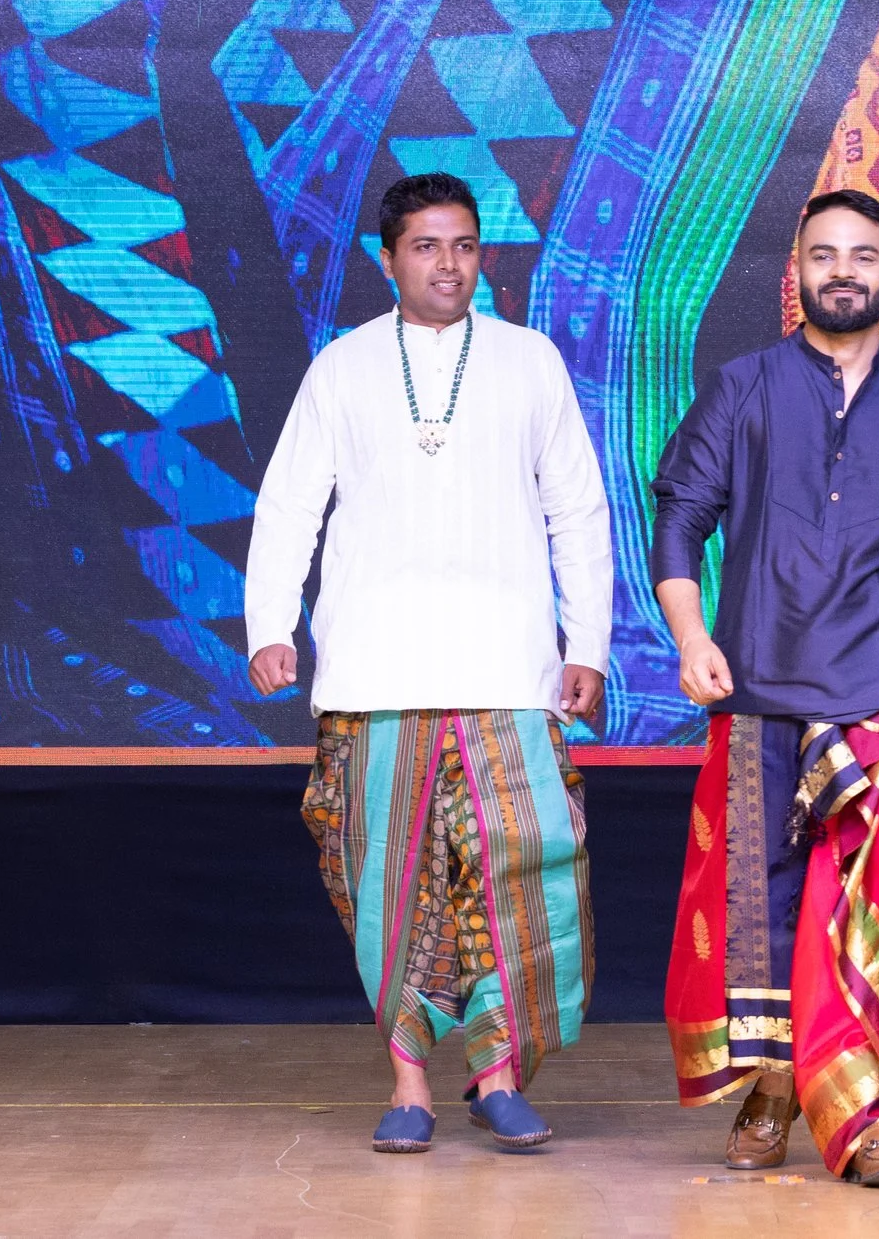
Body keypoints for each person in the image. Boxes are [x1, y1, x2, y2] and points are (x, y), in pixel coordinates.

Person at [243, 171, 611, 1156]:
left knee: (518, 873)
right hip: (375, 672)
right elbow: (289, 506)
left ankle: (497, 1075)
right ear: (387, 257)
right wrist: (269, 625)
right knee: (389, 884)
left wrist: (589, 646)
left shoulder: (529, 361)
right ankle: (408, 1084)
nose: (448, 265)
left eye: (463, 245)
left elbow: (576, 509)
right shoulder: (342, 367)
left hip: (508, 670)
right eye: (426, 247)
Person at [651, 189, 879, 1189]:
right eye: (823, 253)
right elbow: (681, 519)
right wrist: (689, 637)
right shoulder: (742, 388)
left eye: (863, 253)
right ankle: (771, 1092)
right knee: (762, 911)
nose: (842, 269)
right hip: (762, 684)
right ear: (795, 273)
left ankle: (875, 1120)